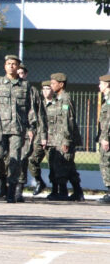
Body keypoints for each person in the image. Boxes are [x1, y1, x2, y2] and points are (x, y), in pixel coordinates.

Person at [0, 55, 37, 203]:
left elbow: (30, 108)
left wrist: (31, 127)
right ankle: (1, 180)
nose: (11, 66)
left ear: (18, 67)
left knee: (15, 159)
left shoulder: (25, 86)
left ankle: (12, 190)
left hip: (17, 128)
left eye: (14, 64)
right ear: (4, 66)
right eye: (8, 64)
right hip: (0, 127)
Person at [46, 73, 84, 201]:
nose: (51, 85)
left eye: (53, 83)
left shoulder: (65, 99)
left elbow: (68, 121)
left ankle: (63, 192)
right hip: (57, 138)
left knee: (63, 165)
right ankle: (77, 192)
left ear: (61, 84)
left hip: (64, 139)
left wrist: (66, 140)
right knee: (67, 166)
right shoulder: (57, 99)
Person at [16, 64, 47, 196]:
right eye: (18, 73)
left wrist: (38, 132)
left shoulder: (32, 91)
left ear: (26, 74)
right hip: (11, 128)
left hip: (28, 129)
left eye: (22, 73)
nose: (20, 75)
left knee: (23, 158)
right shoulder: (9, 88)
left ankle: (19, 188)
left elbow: (39, 113)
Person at [29, 81, 53, 195]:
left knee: (54, 165)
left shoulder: (59, 103)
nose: (45, 91)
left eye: (48, 88)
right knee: (32, 160)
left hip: (54, 139)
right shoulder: (39, 103)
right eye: (44, 89)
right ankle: (39, 182)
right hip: (40, 138)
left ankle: (57, 189)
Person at [97, 75, 110, 204]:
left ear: (107, 84)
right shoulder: (107, 99)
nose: (99, 86)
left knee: (106, 163)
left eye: (101, 83)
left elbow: (108, 121)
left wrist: (105, 138)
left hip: (108, 137)